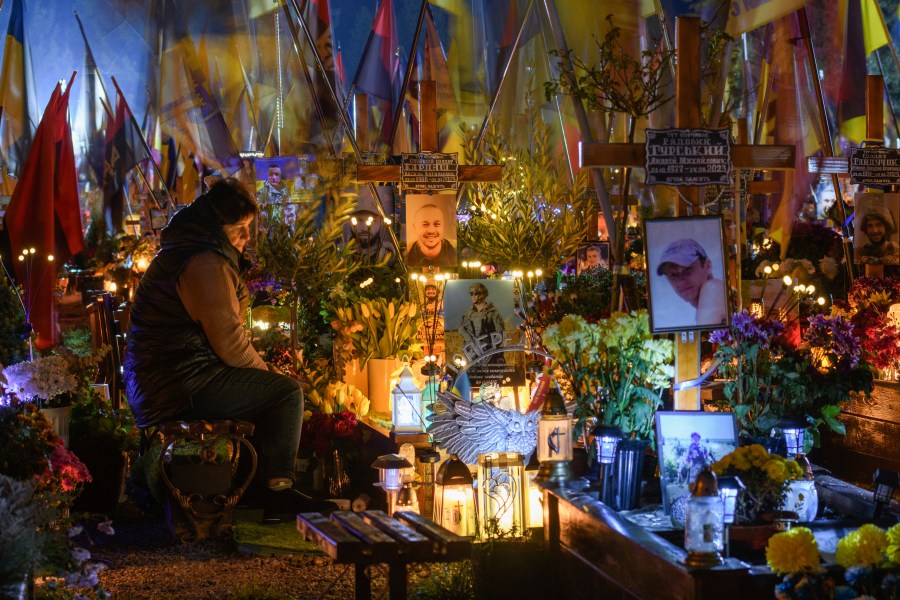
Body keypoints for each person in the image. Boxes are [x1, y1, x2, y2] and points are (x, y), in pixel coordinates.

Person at [123, 178, 331, 523]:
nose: (247, 238)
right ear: (217, 227)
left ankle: (252, 486)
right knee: (284, 394)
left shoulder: (190, 251)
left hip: (167, 379)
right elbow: (229, 343)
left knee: (268, 390)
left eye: (249, 228)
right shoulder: (203, 263)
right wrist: (267, 375)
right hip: (180, 384)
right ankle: (278, 493)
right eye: (240, 229)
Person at [656, 238, 727, 327]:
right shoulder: (702, 310)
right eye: (673, 275)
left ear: (708, 267)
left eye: (687, 270)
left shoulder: (713, 288)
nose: (681, 281)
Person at [458, 282, 506, 364]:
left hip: (487, 351)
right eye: (471, 294)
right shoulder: (469, 313)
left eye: (476, 293)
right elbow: (461, 328)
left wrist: (490, 347)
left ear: (483, 295)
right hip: (472, 352)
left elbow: (500, 333)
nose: (473, 296)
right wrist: (470, 340)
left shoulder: (492, 312)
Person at [406, 203, 457, 268]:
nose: (431, 230)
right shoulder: (405, 254)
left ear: (443, 226)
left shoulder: (456, 250)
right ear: (415, 228)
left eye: (437, 224)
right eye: (425, 224)